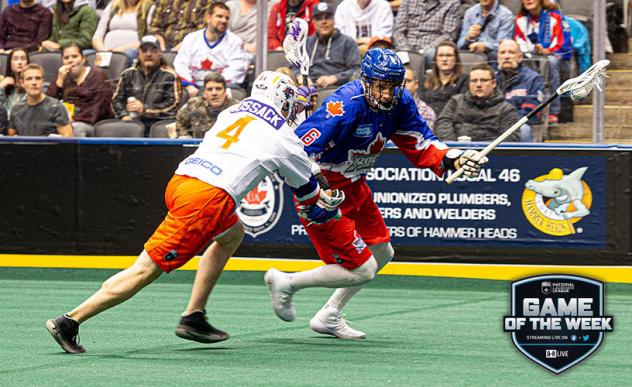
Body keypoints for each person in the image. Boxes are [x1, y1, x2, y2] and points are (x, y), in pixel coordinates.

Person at [46, 70, 343, 354]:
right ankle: (70, 321)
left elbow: (269, 140)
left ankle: (194, 315)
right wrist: (324, 193)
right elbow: (306, 191)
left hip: (182, 181)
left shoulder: (233, 111)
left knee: (232, 235)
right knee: (145, 270)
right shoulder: (283, 136)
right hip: (207, 199)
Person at [264, 49, 489, 339]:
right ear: (366, 80)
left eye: (393, 86)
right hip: (323, 189)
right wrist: (313, 192)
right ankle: (286, 282)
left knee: (383, 251)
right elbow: (295, 151)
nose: (386, 94)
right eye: (380, 86)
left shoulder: (401, 102)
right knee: (363, 269)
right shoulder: (344, 105)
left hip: (355, 185)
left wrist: (454, 158)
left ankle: (330, 315)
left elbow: (421, 142)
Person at [514, 0, 573, 124]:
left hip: (558, 60)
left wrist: (547, 50)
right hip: (533, 59)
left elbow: (564, 45)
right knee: (521, 60)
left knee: (551, 61)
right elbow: (519, 43)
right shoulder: (520, 20)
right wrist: (532, 51)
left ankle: (554, 110)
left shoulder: (555, 17)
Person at [174, 2, 250, 96]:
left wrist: (213, 87)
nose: (224, 20)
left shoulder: (234, 41)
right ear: (208, 17)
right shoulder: (191, 39)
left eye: (227, 18)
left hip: (222, 88)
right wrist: (189, 85)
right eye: (219, 16)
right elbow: (181, 65)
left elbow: (237, 68)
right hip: (194, 87)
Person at [112, 35, 181, 135]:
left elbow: (173, 105)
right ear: (138, 54)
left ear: (160, 54)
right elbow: (116, 100)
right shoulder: (128, 74)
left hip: (158, 123)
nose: (148, 54)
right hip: (131, 122)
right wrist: (124, 115)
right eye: (144, 50)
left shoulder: (170, 76)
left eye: (153, 50)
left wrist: (145, 109)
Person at [435, 63, 519, 142]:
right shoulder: (456, 101)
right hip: (457, 153)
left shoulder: (507, 110)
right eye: (474, 81)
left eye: (483, 80)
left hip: (490, 154)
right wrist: (455, 149)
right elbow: (442, 126)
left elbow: (509, 139)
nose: (478, 84)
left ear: (493, 83)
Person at [46, 43, 113, 137]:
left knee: (76, 128)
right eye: (66, 58)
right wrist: (59, 81)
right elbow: (48, 103)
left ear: (83, 59)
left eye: (74, 56)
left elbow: (99, 107)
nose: (70, 60)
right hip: (66, 121)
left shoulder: (98, 75)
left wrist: (73, 118)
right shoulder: (63, 76)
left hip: (90, 123)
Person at [302, 2, 361, 89]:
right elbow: (294, 66)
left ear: (334, 20)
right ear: (313, 22)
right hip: (308, 88)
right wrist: (301, 77)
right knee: (283, 71)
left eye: (327, 17)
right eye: (319, 18)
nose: (324, 22)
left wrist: (335, 78)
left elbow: (357, 70)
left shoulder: (347, 42)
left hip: (337, 88)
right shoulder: (306, 43)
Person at [495, 39, 545, 142]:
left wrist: (507, 121)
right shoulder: (491, 78)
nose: (506, 56)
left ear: (520, 57)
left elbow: (532, 112)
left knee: (524, 130)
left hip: (516, 124)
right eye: (502, 52)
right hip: (492, 122)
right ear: (497, 57)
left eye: (511, 52)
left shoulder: (533, 79)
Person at [8, 64, 73, 137]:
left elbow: (68, 139)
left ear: (43, 81)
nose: (34, 82)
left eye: (38, 78)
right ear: (22, 83)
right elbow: (11, 140)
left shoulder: (56, 107)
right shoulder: (16, 109)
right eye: (29, 79)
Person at [392, 0, 461, 65]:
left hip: (431, 46)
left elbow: (448, 34)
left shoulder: (452, 2)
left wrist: (423, 51)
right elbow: (398, 30)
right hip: (406, 45)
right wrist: (406, 50)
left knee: (431, 54)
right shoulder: (408, 1)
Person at [175, 72, 239, 138]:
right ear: (204, 93)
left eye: (218, 89)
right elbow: (180, 122)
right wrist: (185, 136)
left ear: (225, 92)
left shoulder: (237, 108)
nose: (214, 93)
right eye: (210, 89)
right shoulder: (193, 105)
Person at [418, 41, 468, 116]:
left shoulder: (464, 80)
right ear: (435, 59)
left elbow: (462, 108)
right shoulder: (425, 79)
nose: (444, 59)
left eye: (449, 55)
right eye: (441, 55)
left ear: (456, 59)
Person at [148, 0, 212, 51]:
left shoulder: (205, 2)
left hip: (192, 48)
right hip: (163, 48)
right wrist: (162, 47)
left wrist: (182, 46)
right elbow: (154, 27)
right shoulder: (164, 1)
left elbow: (205, 30)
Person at [0, 48, 30, 114]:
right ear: (9, 64)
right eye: (15, 59)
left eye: (23, 59)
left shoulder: (33, 83)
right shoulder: (5, 84)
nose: (20, 62)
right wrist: (1, 87)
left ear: (27, 62)